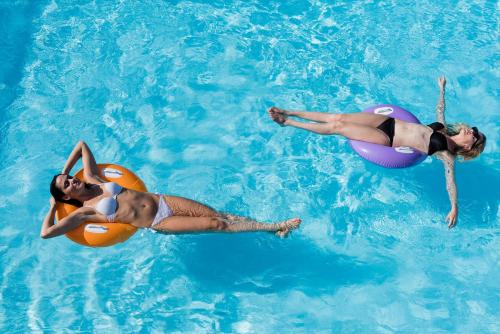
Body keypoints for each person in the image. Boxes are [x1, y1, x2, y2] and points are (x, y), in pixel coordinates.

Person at [268, 76, 486, 228]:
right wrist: (441, 89)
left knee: (337, 128)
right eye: (475, 129)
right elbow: (440, 109)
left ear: (469, 147)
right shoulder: (441, 128)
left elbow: (450, 182)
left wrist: (453, 207)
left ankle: (287, 122)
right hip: (388, 121)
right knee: (339, 117)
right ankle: (289, 111)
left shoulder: (447, 153)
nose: (472, 130)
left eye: (474, 135)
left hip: (388, 139)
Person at [41, 141, 301, 239]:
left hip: (164, 200)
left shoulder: (93, 178)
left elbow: (81, 145)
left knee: (216, 213)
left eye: (69, 179)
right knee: (215, 224)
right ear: (66, 196)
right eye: (67, 184)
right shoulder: (84, 213)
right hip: (159, 220)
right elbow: (46, 233)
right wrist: (54, 205)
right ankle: (277, 225)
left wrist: (63, 171)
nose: (73, 181)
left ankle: (269, 230)